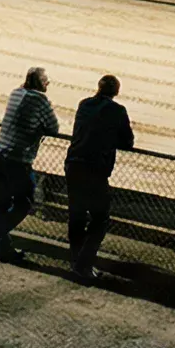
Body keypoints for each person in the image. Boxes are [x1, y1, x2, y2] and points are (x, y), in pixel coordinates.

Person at [63, 74, 135, 282]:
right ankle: (83, 264)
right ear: (116, 92)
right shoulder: (118, 111)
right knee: (100, 218)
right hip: (95, 169)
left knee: (77, 216)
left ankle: (77, 261)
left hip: (74, 164)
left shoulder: (83, 104)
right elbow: (128, 142)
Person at [0, 67, 57, 264]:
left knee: (3, 202)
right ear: (39, 83)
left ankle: (3, 248)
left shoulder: (15, 92)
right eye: (46, 80)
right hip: (17, 160)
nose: (48, 83)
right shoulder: (40, 100)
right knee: (25, 202)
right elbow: (53, 127)